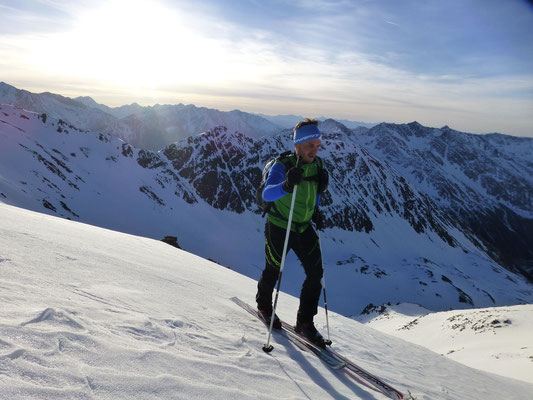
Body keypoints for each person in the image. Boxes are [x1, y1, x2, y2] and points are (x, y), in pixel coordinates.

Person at [256, 118, 329, 346]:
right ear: (297, 145)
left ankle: (305, 323)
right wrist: (286, 186)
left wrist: (315, 211)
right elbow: (267, 194)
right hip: (279, 225)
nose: (314, 151)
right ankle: (264, 306)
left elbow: (314, 193)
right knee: (274, 269)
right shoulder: (283, 166)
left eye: (317, 146)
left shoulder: (318, 167)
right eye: (310, 146)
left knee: (316, 274)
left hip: (303, 226)